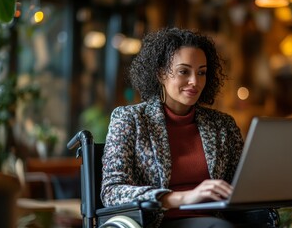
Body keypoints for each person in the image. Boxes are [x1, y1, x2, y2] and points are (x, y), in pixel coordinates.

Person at [101, 27, 279, 228]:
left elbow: (240, 186)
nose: (195, 81)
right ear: (160, 73)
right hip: (159, 222)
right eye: (184, 71)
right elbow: (112, 192)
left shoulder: (222, 125)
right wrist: (183, 198)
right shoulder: (130, 119)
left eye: (201, 72)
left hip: (218, 220)